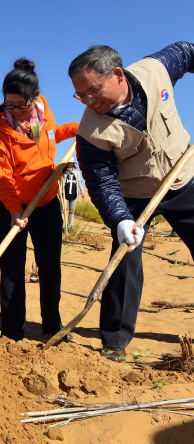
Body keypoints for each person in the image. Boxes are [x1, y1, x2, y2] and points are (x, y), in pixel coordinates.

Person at [68, 42, 194, 359]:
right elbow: (100, 180)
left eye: (93, 90)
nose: (88, 100)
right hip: (134, 196)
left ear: (119, 75)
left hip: (183, 178)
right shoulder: (90, 131)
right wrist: (120, 219)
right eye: (80, 95)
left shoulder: (156, 70)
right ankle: (115, 341)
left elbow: (189, 51)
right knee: (124, 261)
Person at [0, 58, 78, 341]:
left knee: (50, 267)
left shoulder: (43, 112)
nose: (15, 111)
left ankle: (52, 325)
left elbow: (52, 134)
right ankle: (13, 332)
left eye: (21, 105)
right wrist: (14, 209)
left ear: (34, 99)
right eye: (9, 105)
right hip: (14, 207)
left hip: (47, 203)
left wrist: (74, 128)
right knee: (12, 270)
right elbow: (0, 179)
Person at [58, 157, 85, 231]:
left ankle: (70, 226)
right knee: (62, 210)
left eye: (71, 163)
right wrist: (59, 193)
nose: (70, 164)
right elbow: (60, 183)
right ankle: (62, 226)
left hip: (73, 193)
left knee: (72, 211)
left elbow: (79, 182)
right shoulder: (62, 172)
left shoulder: (76, 172)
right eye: (69, 163)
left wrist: (82, 191)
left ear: (73, 163)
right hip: (64, 194)